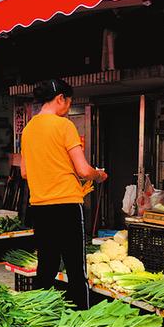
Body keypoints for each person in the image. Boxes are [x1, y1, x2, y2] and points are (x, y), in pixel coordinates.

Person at [21, 79, 107, 309]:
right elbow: (82, 170)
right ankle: (81, 319)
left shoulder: (28, 130)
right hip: (67, 205)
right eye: (68, 103)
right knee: (76, 270)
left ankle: (36, 316)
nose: (68, 108)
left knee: (46, 267)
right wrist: (98, 175)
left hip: (39, 206)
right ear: (60, 98)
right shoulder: (64, 126)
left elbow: (24, 172)